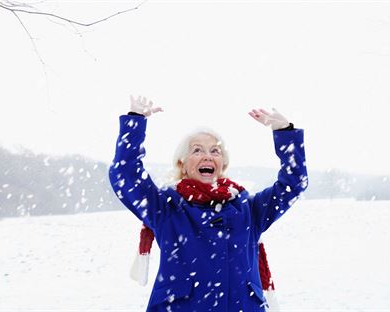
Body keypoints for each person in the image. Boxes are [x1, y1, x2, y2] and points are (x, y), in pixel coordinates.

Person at [109, 95, 308, 312]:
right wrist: (134, 122)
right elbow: (125, 174)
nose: (208, 156)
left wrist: (285, 133)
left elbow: (294, 183)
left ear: (223, 164)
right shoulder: (166, 208)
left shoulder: (248, 210)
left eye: (215, 151)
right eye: (197, 150)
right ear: (182, 164)